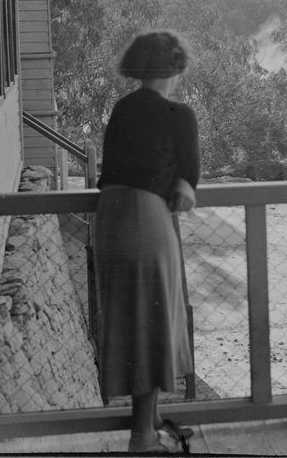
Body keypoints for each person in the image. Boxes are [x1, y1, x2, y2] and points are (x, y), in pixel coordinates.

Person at [94, 30, 200, 454]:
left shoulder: (122, 108)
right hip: (147, 220)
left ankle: (152, 420)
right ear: (174, 67)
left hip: (110, 218)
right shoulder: (179, 113)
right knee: (152, 322)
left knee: (129, 317)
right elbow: (190, 179)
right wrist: (182, 184)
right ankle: (142, 437)